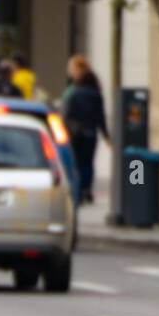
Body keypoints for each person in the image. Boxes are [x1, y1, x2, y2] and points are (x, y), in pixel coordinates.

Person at [60, 55, 110, 205]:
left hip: (75, 133)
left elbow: (66, 114)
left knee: (75, 162)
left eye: (71, 68)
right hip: (90, 132)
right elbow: (100, 116)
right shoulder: (95, 91)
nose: (68, 71)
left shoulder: (73, 92)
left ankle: (78, 191)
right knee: (88, 162)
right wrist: (106, 135)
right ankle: (86, 189)